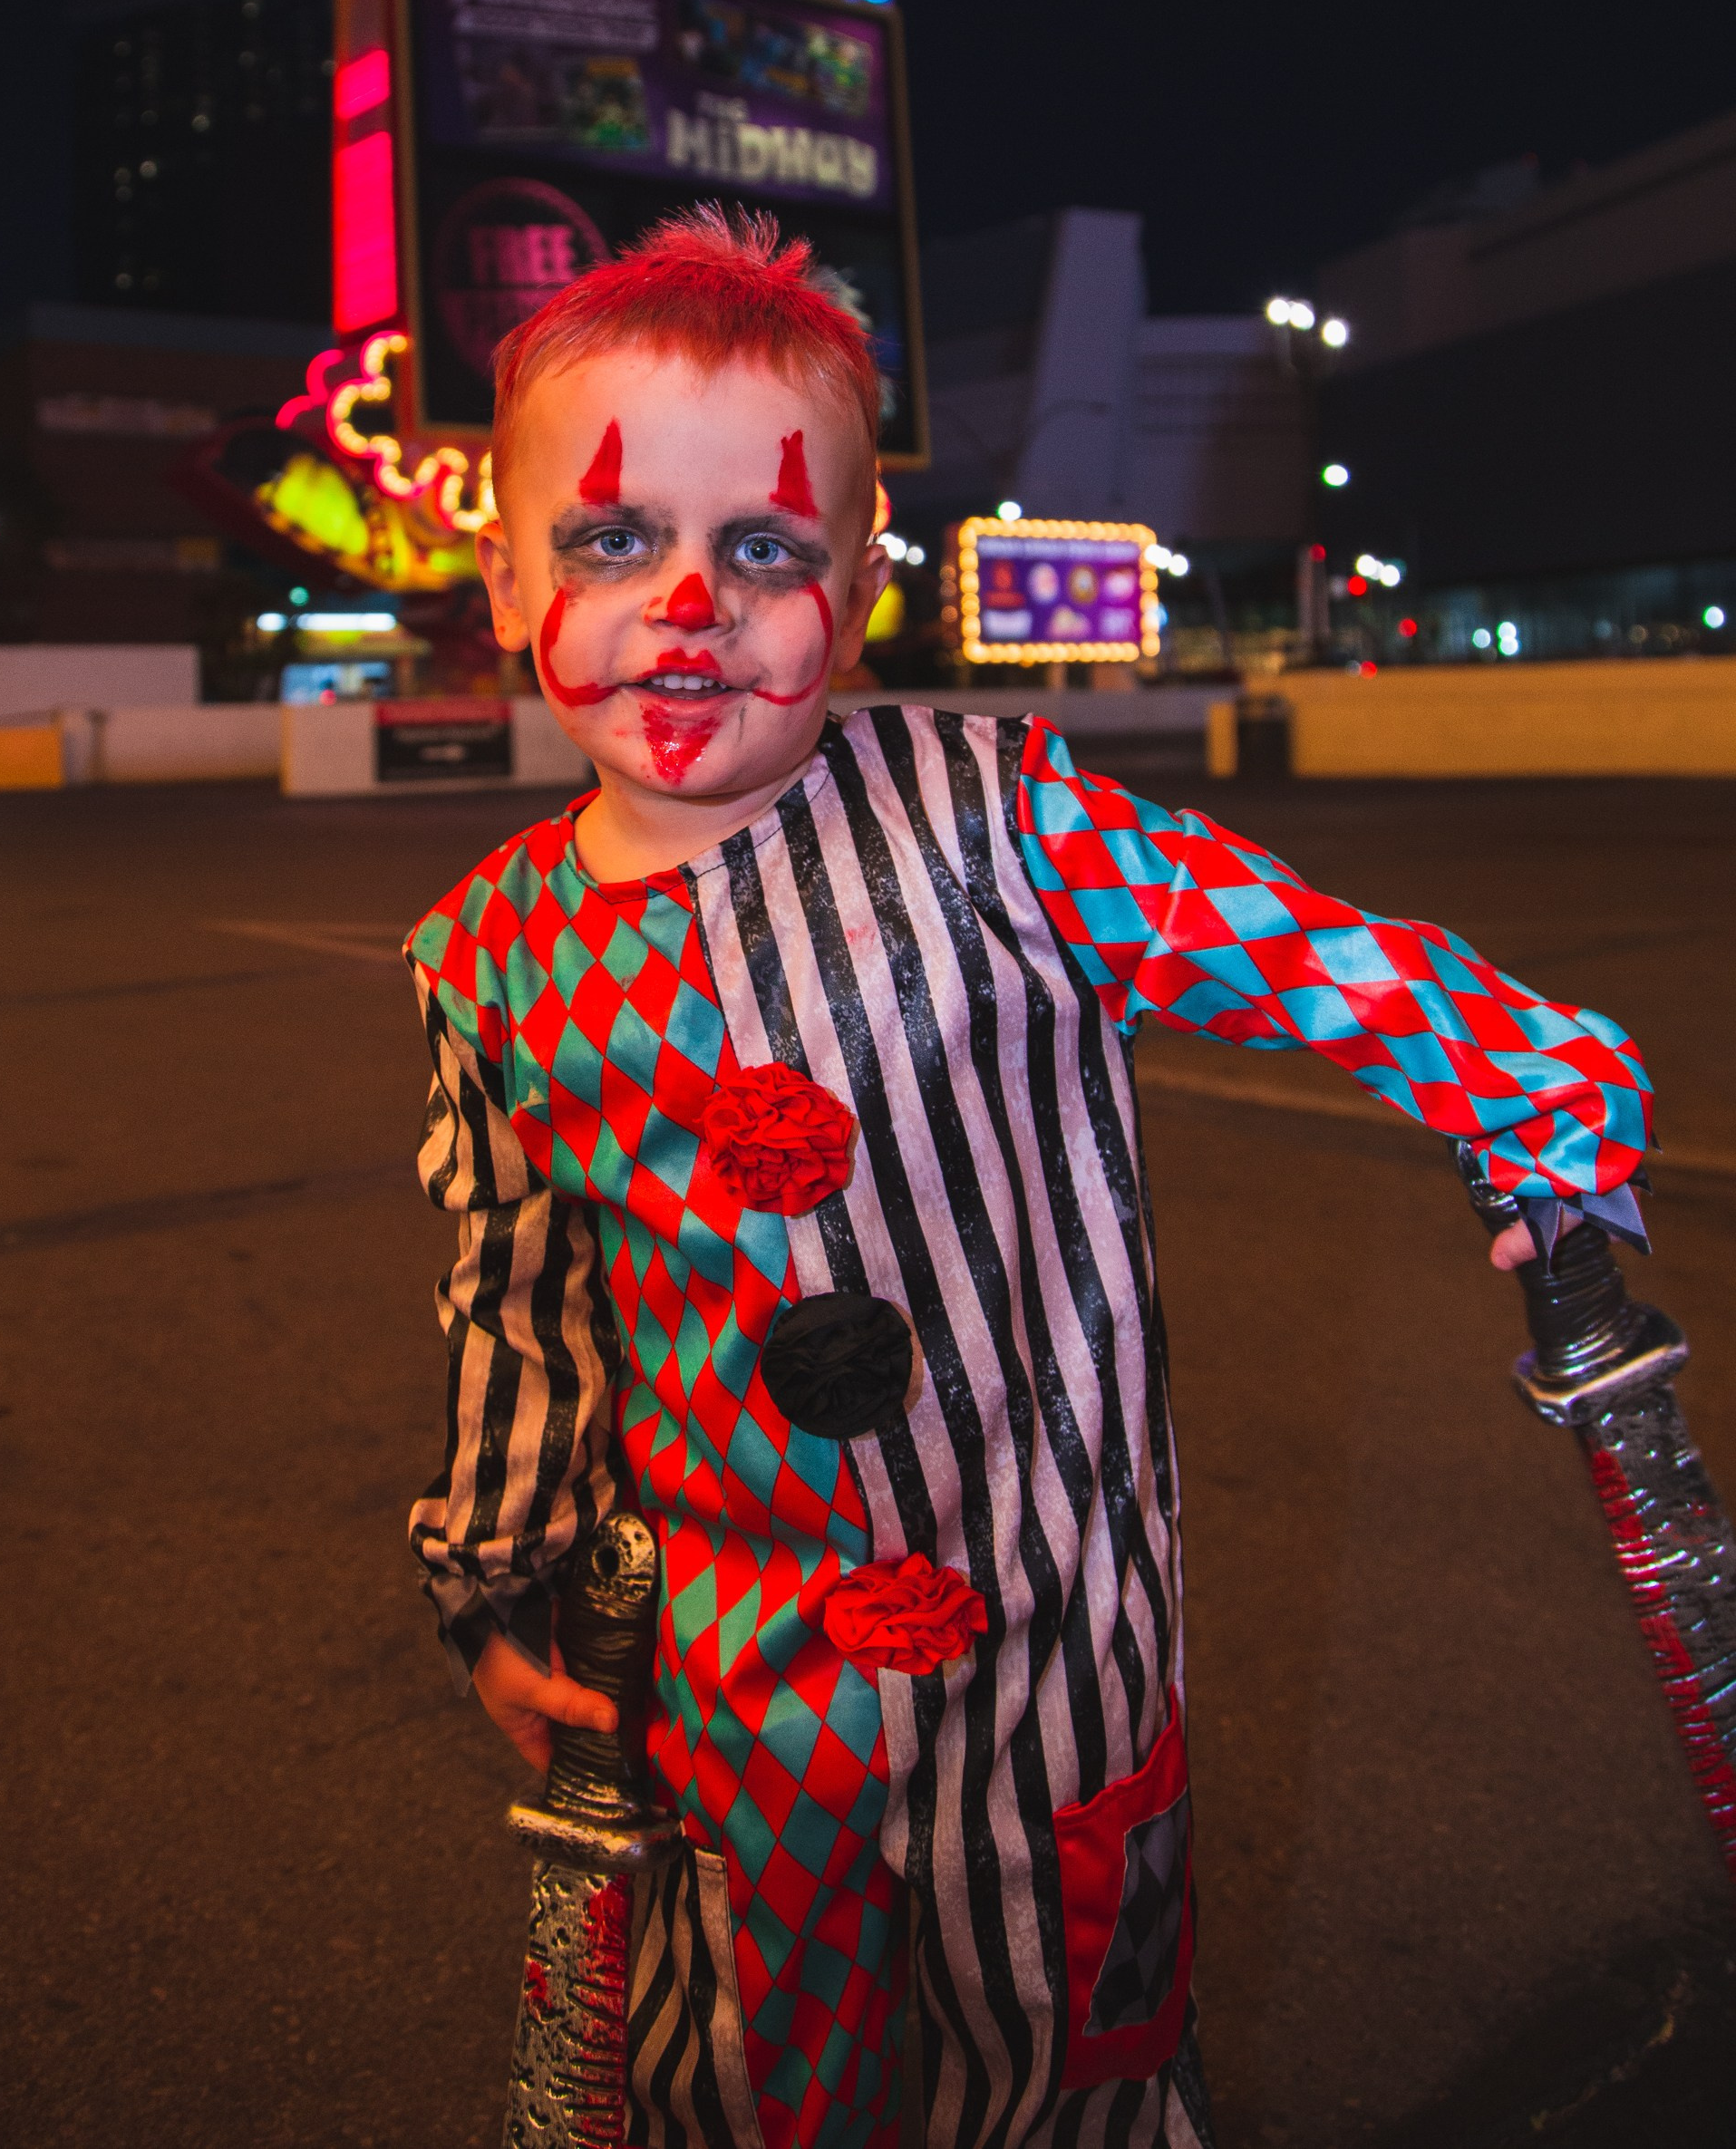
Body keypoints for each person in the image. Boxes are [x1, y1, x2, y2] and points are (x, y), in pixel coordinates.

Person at [404, 210, 1653, 2149]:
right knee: (738, 2046)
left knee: (1074, 2038)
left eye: (764, 548)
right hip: (735, 1654)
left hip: (1057, 1628)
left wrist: (1531, 1092)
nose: (686, 606)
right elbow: (520, 1304)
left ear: (862, 577)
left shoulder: (995, 815)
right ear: (500, 577)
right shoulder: (484, 958)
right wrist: (495, 1582)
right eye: (607, 538)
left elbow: (1292, 945)